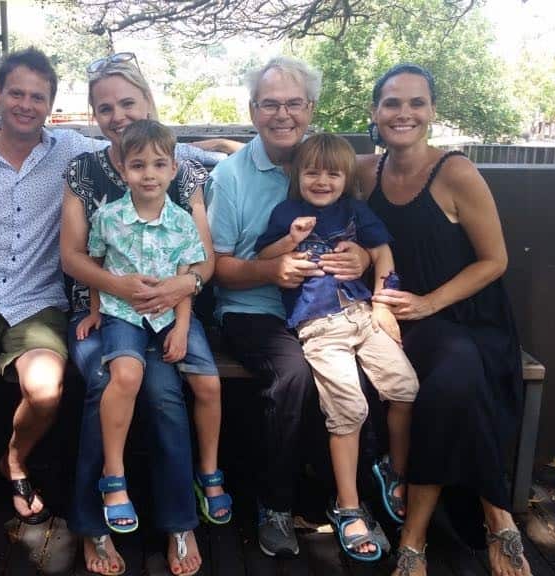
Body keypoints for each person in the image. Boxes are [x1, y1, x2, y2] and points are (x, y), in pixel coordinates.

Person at [0, 48, 226, 572]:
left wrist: (243, 151)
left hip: (87, 304)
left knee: (111, 391)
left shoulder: (110, 156)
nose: (26, 105)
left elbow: (168, 162)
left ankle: (156, 514)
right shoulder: (12, 157)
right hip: (28, 299)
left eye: (38, 97)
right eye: (17, 93)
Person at [61, 55, 238, 576]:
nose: (116, 116)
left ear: (148, 104)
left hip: (169, 307)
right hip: (103, 305)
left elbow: (202, 257)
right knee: (106, 379)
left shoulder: (180, 168)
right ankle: (92, 523)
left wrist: (181, 288)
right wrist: (118, 288)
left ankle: (180, 523)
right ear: (94, 116)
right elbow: (74, 256)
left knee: (163, 391)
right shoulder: (83, 170)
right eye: (104, 108)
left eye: (127, 103)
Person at [359, 63, 530, 576]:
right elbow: (299, 162)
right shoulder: (365, 172)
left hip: (467, 318)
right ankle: (496, 516)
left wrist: (431, 302)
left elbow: (495, 260)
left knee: (455, 374)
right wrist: (218, 148)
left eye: (416, 103)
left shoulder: (455, 172)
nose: (403, 113)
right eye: (392, 103)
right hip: (396, 322)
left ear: (432, 112)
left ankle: (418, 539)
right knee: (445, 374)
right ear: (374, 112)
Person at [206, 56, 369, 558]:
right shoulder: (231, 177)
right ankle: (275, 503)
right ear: (253, 111)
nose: (283, 114)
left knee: (372, 364)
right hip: (253, 307)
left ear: (311, 108)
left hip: (324, 306)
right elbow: (217, 266)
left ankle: (354, 501)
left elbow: (360, 231)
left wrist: (362, 255)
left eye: (293, 103)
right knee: (293, 374)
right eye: (270, 104)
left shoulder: (326, 164)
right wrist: (270, 271)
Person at [254, 132, 418, 562]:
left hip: (363, 314)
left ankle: (392, 470)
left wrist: (384, 302)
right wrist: (290, 239)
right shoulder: (287, 212)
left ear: (347, 179)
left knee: (405, 387)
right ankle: (348, 505)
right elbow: (265, 254)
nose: (322, 181)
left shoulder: (355, 212)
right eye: (312, 172)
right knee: (350, 409)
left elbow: (382, 252)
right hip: (320, 326)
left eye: (333, 174)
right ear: (297, 175)